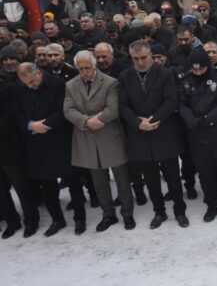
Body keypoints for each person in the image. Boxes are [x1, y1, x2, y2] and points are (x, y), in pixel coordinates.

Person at [118, 41, 189, 229]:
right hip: (140, 135)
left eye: (143, 58)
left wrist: (153, 119)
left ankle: (179, 210)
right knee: (151, 179)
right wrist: (138, 123)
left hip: (163, 132)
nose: (140, 62)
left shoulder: (165, 73)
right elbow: (123, 105)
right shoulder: (125, 77)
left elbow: (171, 100)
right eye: (136, 59)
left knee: (173, 176)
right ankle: (159, 211)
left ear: (150, 55)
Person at [63, 50, 135, 231]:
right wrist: (86, 121)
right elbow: (68, 110)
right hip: (87, 138)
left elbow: (113, 108)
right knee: (99, 181)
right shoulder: (71, 85)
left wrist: (99, 120)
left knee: (121, 178)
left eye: (87, 68)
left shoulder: (110, 82)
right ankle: (108, 214)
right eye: (80, 69)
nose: (84, 72)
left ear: (94, 65)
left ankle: (127, 213)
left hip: (110, 136)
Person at [14, 62, 86, 236]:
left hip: (60, 140)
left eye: (32, 81)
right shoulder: (18, 88)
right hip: (36, 143)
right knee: (48, 186)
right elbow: (16, 114)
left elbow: (64, 110)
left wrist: (46, 124)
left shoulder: (57, 83)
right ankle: (57, 220)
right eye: (26, 84)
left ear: (39, 72)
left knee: (73, 182)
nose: (30, 86)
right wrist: (31, 125)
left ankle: (79, 218)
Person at [178, 47, 217, 222]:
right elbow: (182, 104)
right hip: (197, 136)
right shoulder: (185, 79)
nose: (197, 72)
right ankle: (212, 206)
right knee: (205, 174)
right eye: (194, 69)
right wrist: (191, 121)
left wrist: (207, 120)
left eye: (201, 69)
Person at [0, 61, 40, 238]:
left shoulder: (5, 87)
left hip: (8, 146)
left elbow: (10, 116)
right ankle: (11, 221)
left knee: (21, 186)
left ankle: (31, 220)